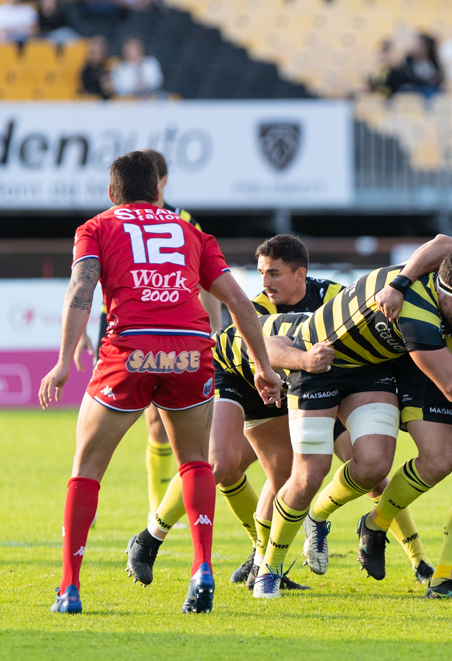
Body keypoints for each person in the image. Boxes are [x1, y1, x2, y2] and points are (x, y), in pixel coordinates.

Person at [253, 244, 452, 599]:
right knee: (307, 475)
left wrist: (402, 278)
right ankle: (268, 569)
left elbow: (450, 244)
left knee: (376, 465)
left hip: (373, 372)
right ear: (442, 289)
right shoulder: (416, 313)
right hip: (319, 366)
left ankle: (422, 568)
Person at [39, 150, 281, 615]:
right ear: (158, 191)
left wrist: (65, 360)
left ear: (112, 193)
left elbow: (81, 290)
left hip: (130, 349)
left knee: (86, 468)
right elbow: (236, 301)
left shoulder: (96, 228)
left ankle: (70, 588)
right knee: (195, 462)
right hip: (191, 352)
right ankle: (202, 568)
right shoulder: (192, 232)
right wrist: (263, 365)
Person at [125, 235, 346, 589]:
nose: (265, 282)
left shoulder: (332, 296)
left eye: (274, 273)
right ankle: (149, 539)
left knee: (285, 478)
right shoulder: (255, 308)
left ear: (299, 274)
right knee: (219, 463)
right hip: (237, 373)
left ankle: (262, 562)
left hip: (280, 385)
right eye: (261, 273)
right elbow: (261, 352)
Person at [74, 150, 217, 527]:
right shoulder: (130, 224)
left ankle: (158, 519)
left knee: (149, 429)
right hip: (133, 331)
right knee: (183, 446)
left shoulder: (178, 222)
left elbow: (81, 285)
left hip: (143, 336)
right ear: (157, 186)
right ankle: (160, 512)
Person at [389, 32, 444, 99]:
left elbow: (439, 76)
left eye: (420, 44)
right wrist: (426, 80)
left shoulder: (432, 60)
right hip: (414, 89)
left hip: (431, 89)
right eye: (416, 44)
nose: (417, 46)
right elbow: (407, 77)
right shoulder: (408, 60)